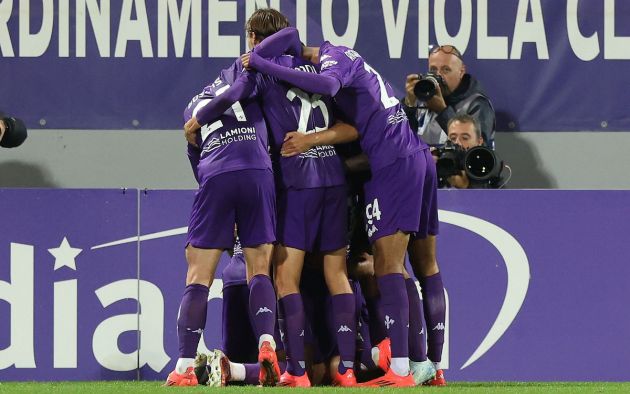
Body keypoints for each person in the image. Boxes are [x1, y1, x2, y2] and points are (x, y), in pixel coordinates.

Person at [242, 27, 441, 387]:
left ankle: (396, 367)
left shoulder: (334, 57)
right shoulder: (348, 66)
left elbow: (328, 85)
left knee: (385, 264)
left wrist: (260, 64)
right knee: (421, 264)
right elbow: (349, 124)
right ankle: (428, 363)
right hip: (411, 155)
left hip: (388, 163)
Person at [183, 9, 359, 388]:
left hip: (294, 184)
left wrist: (199, 120)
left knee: (283, 277)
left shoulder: (259, 74)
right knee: (337, 274)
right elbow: (352, 127)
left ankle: (294, 371)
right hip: (335, 181)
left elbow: (236, 112)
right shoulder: (320, 70)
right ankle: (347, 367)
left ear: (251, 38)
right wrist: (317, 140)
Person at [164, 55, 279, 387]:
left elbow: (194, 153)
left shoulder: (191, 109)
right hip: (258, 171)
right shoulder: (251, 82)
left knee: (199, 273)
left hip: (216, 173)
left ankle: (185, 365)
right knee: (259, 268)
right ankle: (267, 345)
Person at [401, 45, 495, 148]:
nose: (438, 76)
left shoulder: (477, 104)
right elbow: (400, 142)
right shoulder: (422, 98)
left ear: (461, 71)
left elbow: (478, 153)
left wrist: (442, 111)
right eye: (433, 70)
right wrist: (409, 106)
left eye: (446, 70)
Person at [438, 113, 505, 189]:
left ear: (479, 141)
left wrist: (467, 187)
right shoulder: (439, 162)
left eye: (465, 138)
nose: (458, 143)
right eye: (453, 138)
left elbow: (501, 199)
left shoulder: (488, 168)